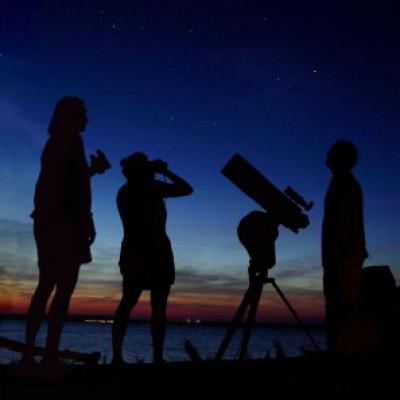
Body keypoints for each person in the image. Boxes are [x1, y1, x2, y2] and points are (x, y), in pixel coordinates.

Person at [21, 97, 110, 366]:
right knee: (61, 289)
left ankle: (32, 352)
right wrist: (83, 221)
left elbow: (70, 180)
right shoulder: (69, 141)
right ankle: (47, 354)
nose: (87, 119)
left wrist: (91, 171)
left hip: (53, 222)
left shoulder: (59, 141)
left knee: (47, 285)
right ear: (71, 116)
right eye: (83, 114)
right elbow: (67, 189)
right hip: (63, 224)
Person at [112, 152, 193, 364]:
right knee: (148, 305)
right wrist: (162, 171)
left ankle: (120, 355)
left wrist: (158, 171)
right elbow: (186, 189)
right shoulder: (145, 189)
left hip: (142, 252)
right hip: (148, 253)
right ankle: (151, 357)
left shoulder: (128, 190)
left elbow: (187, 189)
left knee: (132, 304)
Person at [322, 140, 368, 353]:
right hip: (344, 256)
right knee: (341, 312)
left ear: (340, 158)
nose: (327, 154)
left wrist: (334, 255)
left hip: (343, 259)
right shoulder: (344, 182)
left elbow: (342, 222)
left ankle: (343, 359)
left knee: (342, 312)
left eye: (331, 152)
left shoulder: (344, 183)